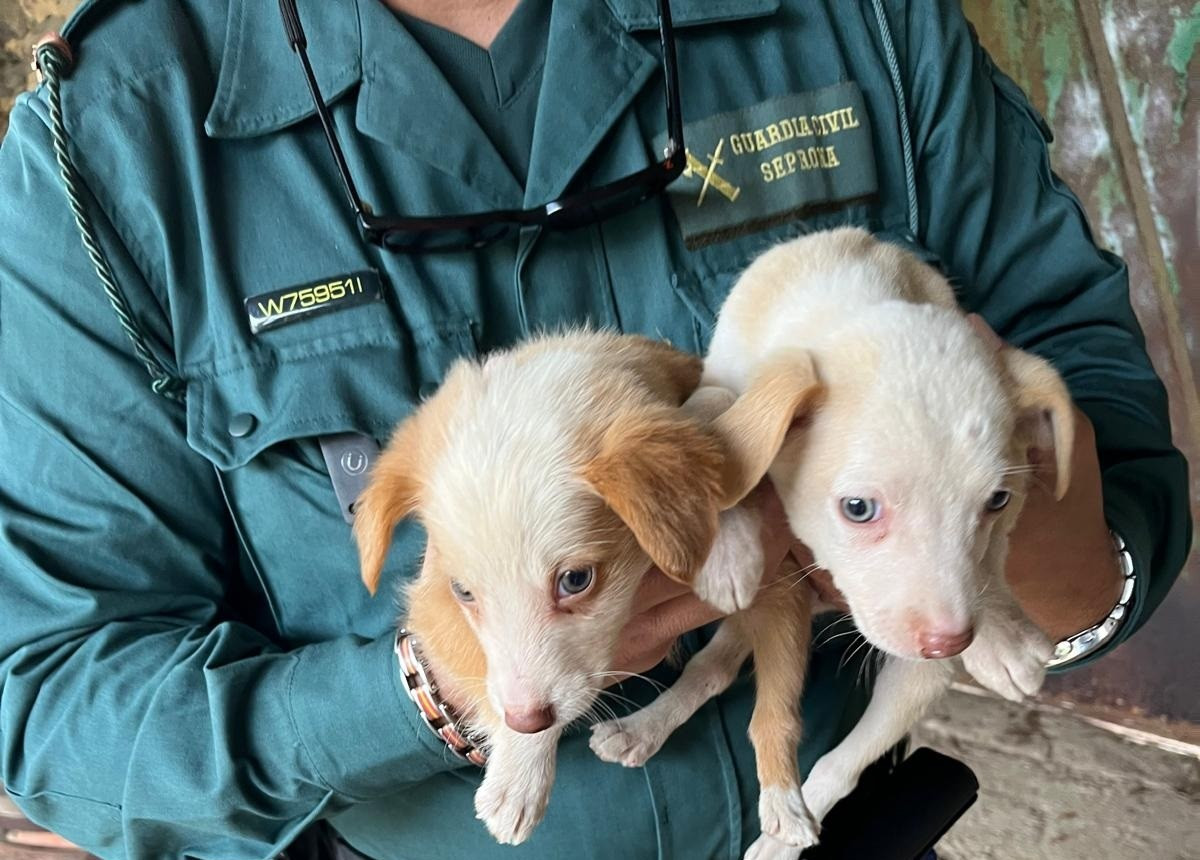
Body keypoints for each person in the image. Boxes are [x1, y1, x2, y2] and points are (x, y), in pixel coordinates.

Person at [0, 0, 1188, 858]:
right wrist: (433, 688)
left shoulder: (862, 21)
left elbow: (1097, 436)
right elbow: (59, 705)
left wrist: (990, 524)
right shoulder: (109, 145)